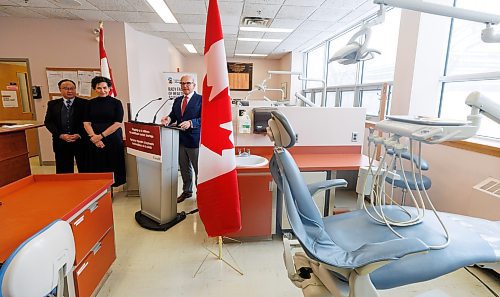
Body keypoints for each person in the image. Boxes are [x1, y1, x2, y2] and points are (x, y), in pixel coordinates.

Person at [161, 75, 202, 203]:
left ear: (194, 85)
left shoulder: (201, 99)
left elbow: (205, 118)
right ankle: (187, 191)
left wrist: (191, 122)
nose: (185, 86)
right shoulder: (178, 100)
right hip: (179, 139)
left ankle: (200, 193)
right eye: (183, 83)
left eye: (188, 83)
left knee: (198, 169)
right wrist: (168, 119)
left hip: (195, 140)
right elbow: (174, 115)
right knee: (184, 168)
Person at [83, 76, 126, 187]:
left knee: (113, 161)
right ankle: (100, 187)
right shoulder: (89, 103)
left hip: (112, 136)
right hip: (94, 135)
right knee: (97, 163)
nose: (102, 91)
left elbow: (117, 123)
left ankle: (114, 184)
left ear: (109, 88)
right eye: (99, 88)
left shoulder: (116, 103)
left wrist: (101, 136)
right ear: (94, 89)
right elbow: (86, 123)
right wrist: (94, 137)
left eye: (105, 88)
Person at [44, 79, 87, 173]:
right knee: (63, 170)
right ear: (60, 90)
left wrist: (79, 134)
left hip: (81, 141)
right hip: (61, 142)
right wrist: (60, 135)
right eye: (66, 88)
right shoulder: (52, 104)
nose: (70, 91)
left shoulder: (85, 103)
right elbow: (48, 122)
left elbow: (89, 122)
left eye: (72, 88)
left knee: (85, 169)